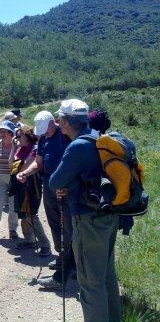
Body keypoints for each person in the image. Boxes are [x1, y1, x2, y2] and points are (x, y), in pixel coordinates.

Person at [50, 99, 121, 322]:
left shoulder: (78, 146)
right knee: (106, 277)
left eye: (60, 118)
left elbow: (55, 182)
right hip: (109, 216)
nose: (59, 123)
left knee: (90, 283)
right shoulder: (99, 139)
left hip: (88, 220)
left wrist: (65, 186)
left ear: (66, 121)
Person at [16, 111, 75, 289]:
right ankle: (62, 257)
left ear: (53, 122)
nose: (44, 132)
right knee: (54, 223)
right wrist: (25, 172)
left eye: (46, 128)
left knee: (68, 225)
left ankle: (72, 263)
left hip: (66, 187)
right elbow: (39, 162)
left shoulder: (65, 135)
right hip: (48, 185)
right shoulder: (43, 138)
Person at [9, 126, 51, 257]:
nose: (16, 138)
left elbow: (25, 166)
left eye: (19, 136)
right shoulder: (20, 149)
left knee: (31, 214)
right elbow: (11, 164)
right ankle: (29, 240)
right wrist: (13, 148)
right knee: (22, 213)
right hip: (19, 184)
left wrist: (17, 152)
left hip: (32, 185)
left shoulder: (34, 149)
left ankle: (45, 245)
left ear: (27, 137)